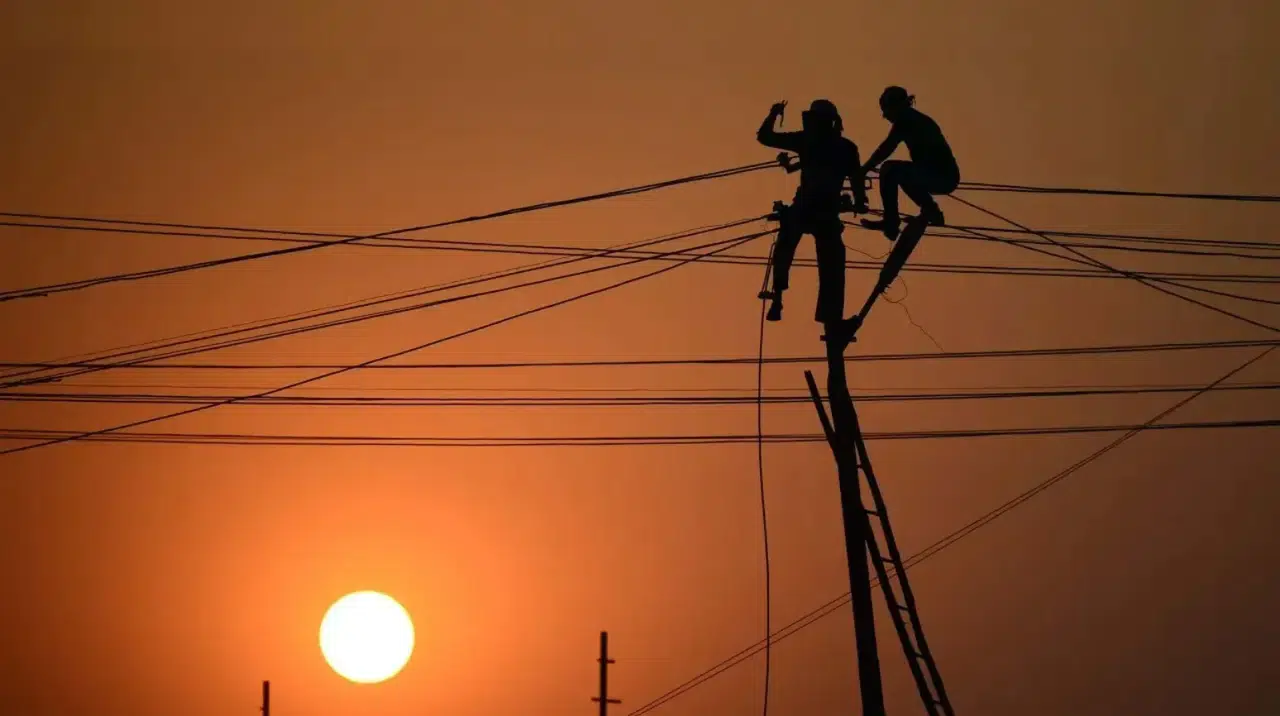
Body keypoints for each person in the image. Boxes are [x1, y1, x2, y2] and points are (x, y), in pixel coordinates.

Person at [756, 99, 868, 324]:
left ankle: (778, 297)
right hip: (826, 211)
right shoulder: (845, 147)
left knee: (786, 245)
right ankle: (828, 316)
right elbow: (856, 179)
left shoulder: (807, 140)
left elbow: (765, 137)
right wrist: (859, 202)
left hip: (806, 208)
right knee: (831, 262)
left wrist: (773, 114)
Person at [859, 86, 960, 241]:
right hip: (940, 175)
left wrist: (864, 169)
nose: (885, 116)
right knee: (901, 175)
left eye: (886, 111)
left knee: (890, 169)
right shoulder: (913, 118)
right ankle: (931, 211)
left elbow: (886, 148)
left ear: (896, 106)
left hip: (940, 176)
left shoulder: (906, 120)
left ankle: (891, 222)